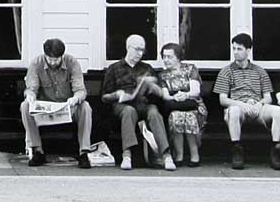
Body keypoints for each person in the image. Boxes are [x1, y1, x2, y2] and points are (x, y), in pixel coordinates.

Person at [101, 34, 176, 171]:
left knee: (154, 112)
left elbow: (160, 96)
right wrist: (117, 94)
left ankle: (166, 155)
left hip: (143, 103)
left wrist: (153, 87)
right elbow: (104, 97)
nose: (140, 53)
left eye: (142, 50)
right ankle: (127, 155)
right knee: (129, 111)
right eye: (137, 49)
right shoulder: (114, 68)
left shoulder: (147, 68)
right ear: (128, 47)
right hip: (122, 106)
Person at [19, 38, 94, 168]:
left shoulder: (72, 63)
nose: (53, 62)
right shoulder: (36, 63)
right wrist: (30, 96)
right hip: (44, 108)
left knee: (85, 107)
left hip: (68, 106)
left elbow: (81, 90)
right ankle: (37, 150)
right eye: (50, 59)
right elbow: (31, 88)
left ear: (62, 56)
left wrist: (75, 99)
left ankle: (84, 152)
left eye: (56, 59)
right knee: (25, 106)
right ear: (45, 56)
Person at [214, 32, 280, 170]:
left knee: (277, 111)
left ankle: (276, 150)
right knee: (233, 111)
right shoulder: (226, 71)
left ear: (248, 50)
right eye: (234, 48)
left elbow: (268, 97)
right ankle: (236, 149)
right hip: (238, 107)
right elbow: (222, 99)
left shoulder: (260, 71)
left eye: (239, 49)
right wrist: (241, 104)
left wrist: (259, 104)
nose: (235, 52)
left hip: (257, 107)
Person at [156, 42, 207, 166]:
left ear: (178, 57)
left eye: (169, 57)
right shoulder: (162, 75)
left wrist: (186, 95)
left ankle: (194, 154)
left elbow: (196, 91)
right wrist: (176, 97)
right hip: (175, 105)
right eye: (164, 56)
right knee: (176, 117)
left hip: (193, 104)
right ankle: (179, 154)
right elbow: (165, 96)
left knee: (189, 117)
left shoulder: (190, 69)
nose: (165, 60)